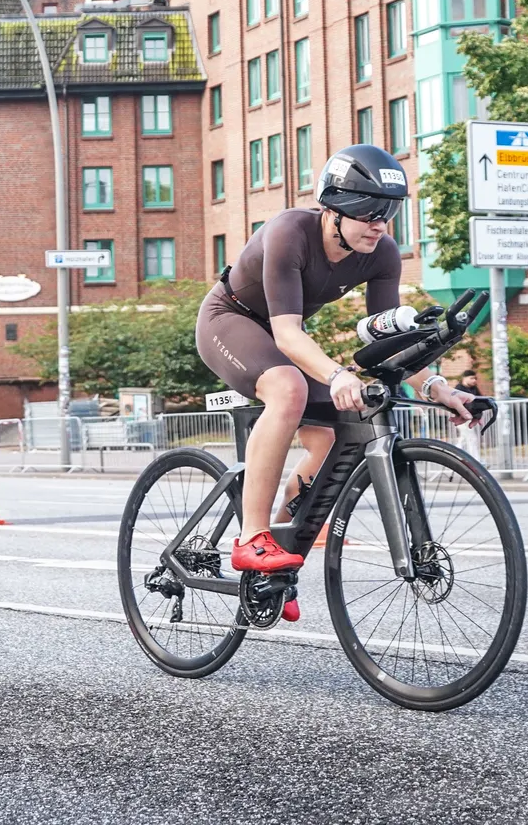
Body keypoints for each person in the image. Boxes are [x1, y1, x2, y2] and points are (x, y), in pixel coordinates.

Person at [196, 144, 482, 584]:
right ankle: (251, 538)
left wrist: (436, 387)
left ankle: (282, 545)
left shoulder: (382, 253)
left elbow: (392, 343)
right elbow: (289, 334)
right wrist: (336, 374)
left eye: (387, 214)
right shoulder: (289, 232)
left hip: (280, 336)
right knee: (288, 388)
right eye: (368, 214)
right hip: (228, 321)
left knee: (337, 430)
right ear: (334, 209)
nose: (379, 225)